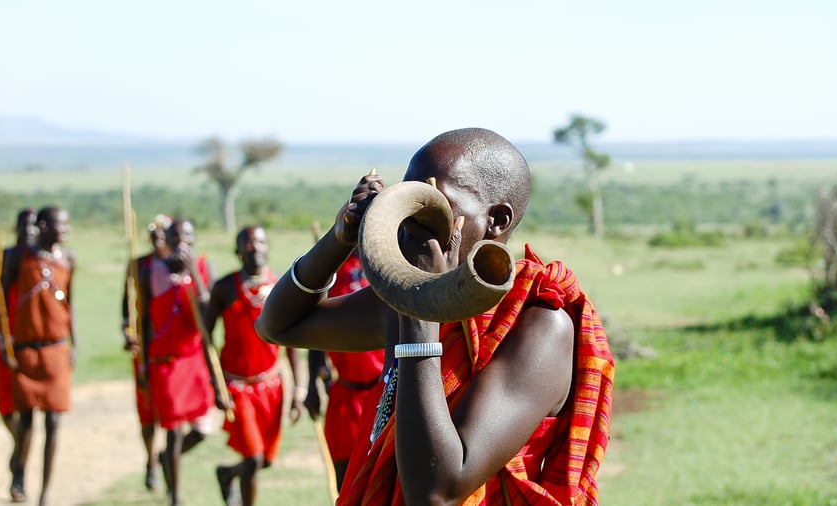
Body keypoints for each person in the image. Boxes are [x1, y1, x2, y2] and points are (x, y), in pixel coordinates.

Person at [256, 128, 615, 505]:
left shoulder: (541, 324)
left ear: (497, 220)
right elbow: (278, 325)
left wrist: (420, 306)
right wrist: (339, 237)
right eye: (408, 201)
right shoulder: (403, 304)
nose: (410, 222)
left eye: (433, 204)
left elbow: (436, 490)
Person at [202, 225, 304, 506]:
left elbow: (292, 340)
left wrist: (299, 390)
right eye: (247, 243)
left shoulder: (282, 286)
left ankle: (226, 474)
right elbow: (205, 336)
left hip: (272, 386)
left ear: (268, 247)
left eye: (260, 242)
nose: (254, 248)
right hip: (237, 386)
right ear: (237, 251)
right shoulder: (224, 288)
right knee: (253, 457)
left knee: (265, 461)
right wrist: (215, 383)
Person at [4, 206, 76, 506]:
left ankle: (46, 493)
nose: (65, 230)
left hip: (57, 349)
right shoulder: (19, 257)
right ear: (44, 226)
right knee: (26, 422)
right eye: (61, 224)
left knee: (55, 422)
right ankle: (19, 473)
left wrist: (75, 343)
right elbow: (0, 299)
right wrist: (2, 341)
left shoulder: (68, 259)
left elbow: (70, 304)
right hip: (25, 352)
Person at [146, 218, 217, 506]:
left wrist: (192, 275)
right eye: (176, 236)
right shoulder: (151, 269)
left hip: (194, 359)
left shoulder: (202, 266)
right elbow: (142, 318)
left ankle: (165, 459)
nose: (181, 242)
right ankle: (175, 496)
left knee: (201, 429)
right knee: (173, 431)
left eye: (187, 236)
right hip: (165, 361)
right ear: (168, 239)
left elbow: (207, 312)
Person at [303, 250, 385, 490]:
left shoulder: (389, 262)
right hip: (345, 396)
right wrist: (312, 385)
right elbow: (316, 332)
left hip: (385, 394)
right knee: (345, 483)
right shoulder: (329, 273)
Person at [120, 214, 172, 491]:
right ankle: (151, 459)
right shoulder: (139, 265)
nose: (157, 239)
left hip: (172, 351)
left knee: (173, 414)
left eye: (163, 233)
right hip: (145, 350)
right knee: (147, 411)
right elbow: (126, 310)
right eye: (153, 234)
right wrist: (128, 334)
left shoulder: (178, 268)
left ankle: (167, 459)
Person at [0, 208, 37, 438]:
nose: (29, 230)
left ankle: (22, 453)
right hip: (7, 339)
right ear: (16, 228)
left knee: (27, 403)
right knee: (5, 403)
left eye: (34, 224)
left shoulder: (41, 259)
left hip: (32, 341)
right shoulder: (5, 256)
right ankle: (19, 444)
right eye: (24, 224)